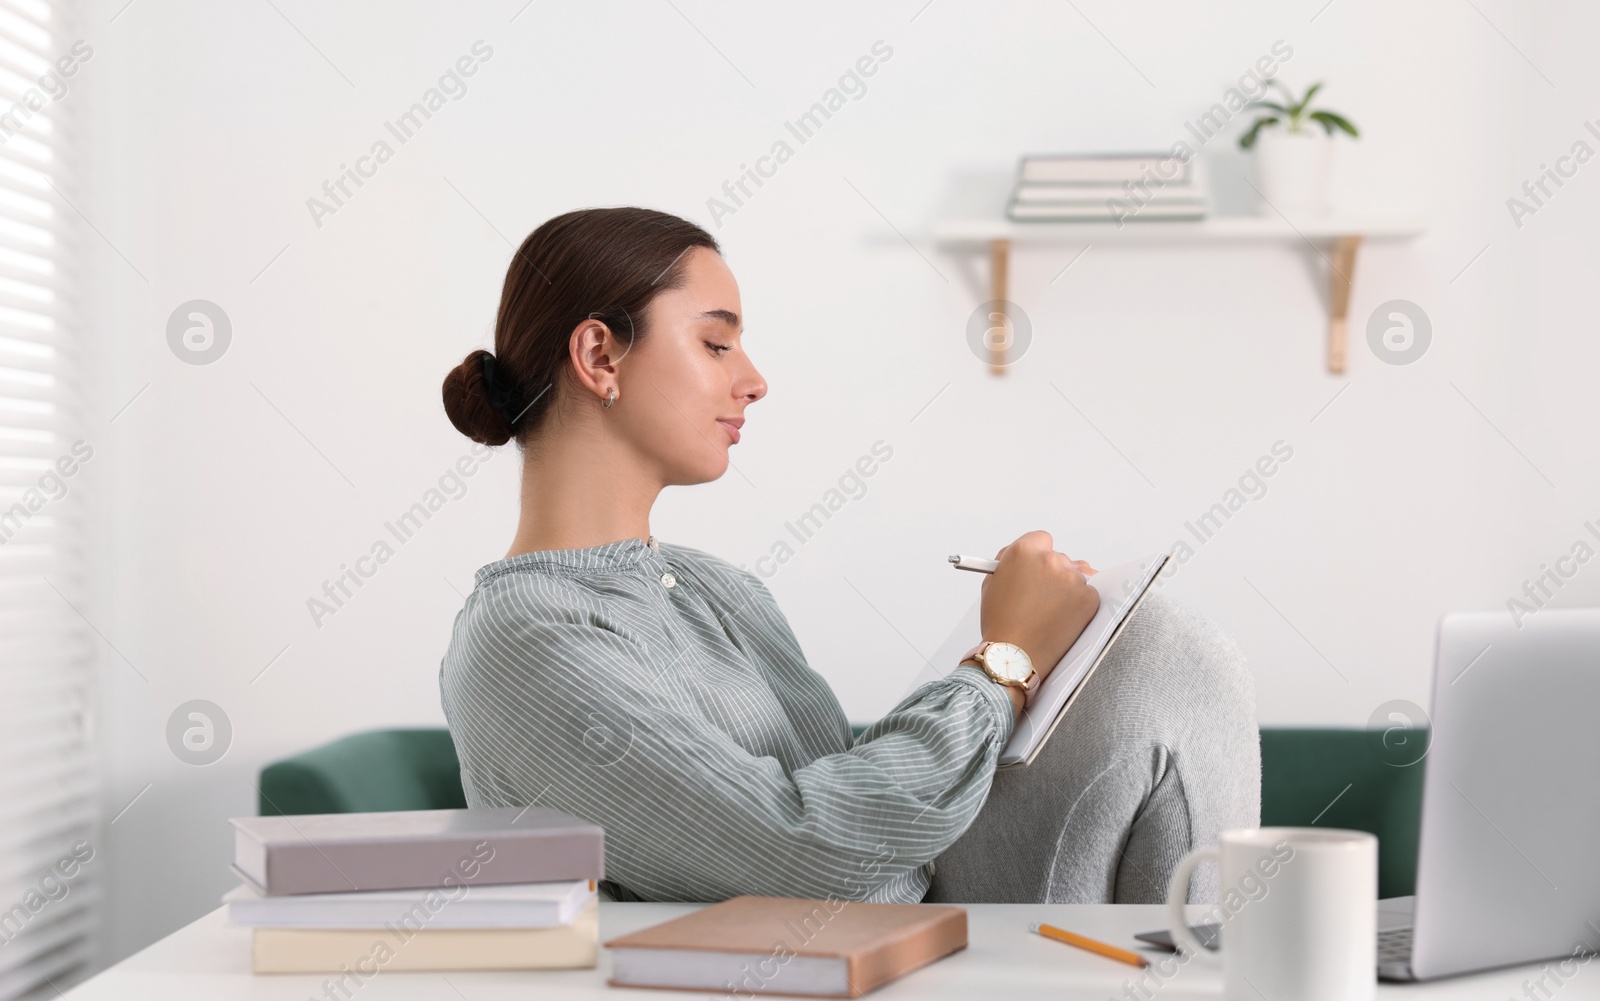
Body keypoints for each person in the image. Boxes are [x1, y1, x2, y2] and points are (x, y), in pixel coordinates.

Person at [438, 206, 1259, 905]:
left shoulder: (718, 589)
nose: (755, 380)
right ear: (599, 357)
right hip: (802, 976)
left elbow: (847, 804)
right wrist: (1003, 664)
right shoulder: (526, 638)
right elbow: (798, 847)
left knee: (1151, 642)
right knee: (1167, 653)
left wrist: (1035, 652)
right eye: (717, 345)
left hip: (901, 913)